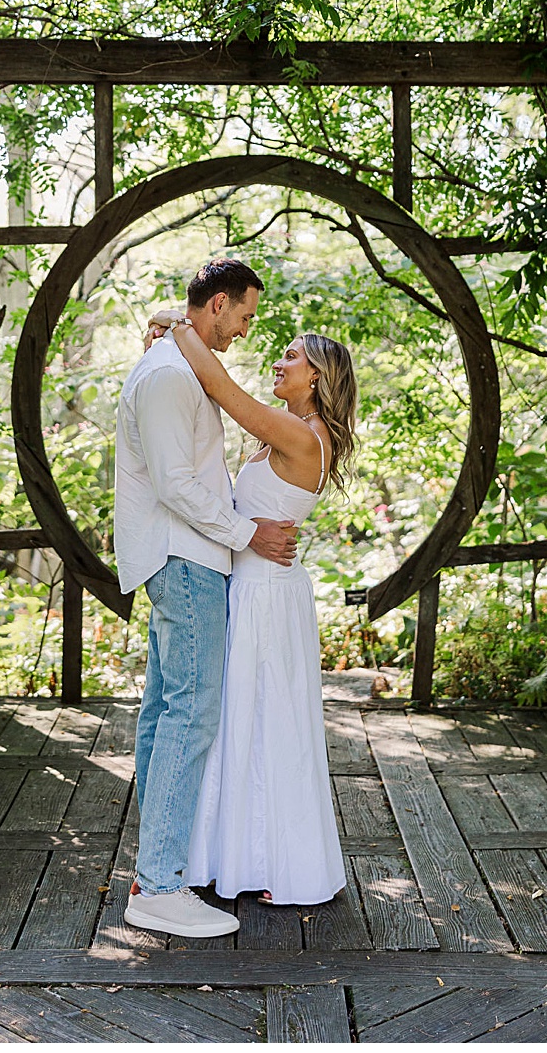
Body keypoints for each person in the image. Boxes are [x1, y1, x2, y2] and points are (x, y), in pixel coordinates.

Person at [114, 257, 298, 938]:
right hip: (183, 559)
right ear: (217, 305)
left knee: (167, 713)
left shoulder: (175, 354)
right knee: (190, 716)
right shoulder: (166, 375)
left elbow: (179, 320)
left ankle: (161, 866)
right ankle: (159, 887)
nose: (247, 331)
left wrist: (172, 320)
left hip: (180, 558)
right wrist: (247, 532)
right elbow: (174, 485)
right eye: (245, 315)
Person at [155, 310, 357, 908]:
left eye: (292, 356)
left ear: (317, 377)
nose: (279, 361)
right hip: (251, 586)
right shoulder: (290, 429)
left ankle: (279, 863)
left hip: (267, 594)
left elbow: (222, 389)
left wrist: (180, 326)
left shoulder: (302, 436)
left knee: (267, 720)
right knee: (241, 720)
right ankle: (235, 855)